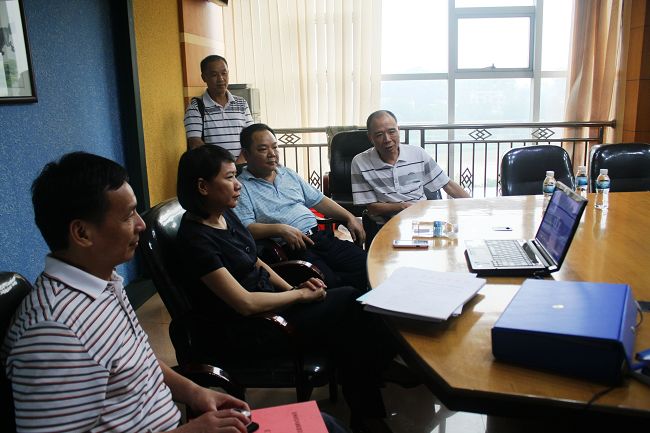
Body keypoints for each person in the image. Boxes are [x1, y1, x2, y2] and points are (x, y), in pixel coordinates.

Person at [1, 152, 252, 433]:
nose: (141, 224)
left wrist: (195, 393)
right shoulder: (54, 331)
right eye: (128, 215)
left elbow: (138, 360)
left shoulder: (101, 280)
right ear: (82, 233)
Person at [175, 145, 395, 432]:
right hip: (252, 328)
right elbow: (244, 304)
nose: (238, 184)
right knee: (351, 306)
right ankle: (373, 392)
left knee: (354, 315)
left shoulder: (223, 215)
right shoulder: (196, 241)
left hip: (273, 305)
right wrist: (299, 296)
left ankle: (369, 398)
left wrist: (294, 287)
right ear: (203, 187)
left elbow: (254, 261)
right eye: (229, 177)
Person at [234, 123, 368, 291]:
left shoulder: (287, 173)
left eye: (275, 147)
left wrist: (349, 217)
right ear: (246, 154)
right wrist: (280, 229)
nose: (272, 154)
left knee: (366, 264)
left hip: (320, 238)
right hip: (293, 248)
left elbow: (319, 200)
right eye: (263, 149)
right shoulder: (241, 187)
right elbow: (245, 227)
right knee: (330, 282)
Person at [351, 110, 470, 221]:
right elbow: (372, 208)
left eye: (392, 132)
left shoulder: (417, 153)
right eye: (379, 135)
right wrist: (403, 207)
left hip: (420, 220)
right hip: (385, 223)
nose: (387, 139)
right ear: (370, 137)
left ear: (398, 130)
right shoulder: (360, 162)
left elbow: (447, 184)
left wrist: (474, 205)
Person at [184, 54, 253, 163]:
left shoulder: (242, 103)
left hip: (242, 167)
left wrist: (239, 164)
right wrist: (223, 167)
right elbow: (195, 143)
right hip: (214, 169)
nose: (221, 79)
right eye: (214, 75)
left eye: (224, 73)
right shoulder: (196, 107)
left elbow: (251, 137)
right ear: (204, 77)